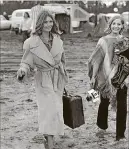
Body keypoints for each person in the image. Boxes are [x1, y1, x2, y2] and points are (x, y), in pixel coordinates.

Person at [17, 10, 68, 149]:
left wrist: (64, 76)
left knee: (55, 110)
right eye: (45, 22)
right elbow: (26, 61)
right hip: (43, 79)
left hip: (57, 79)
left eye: (50, 21)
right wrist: (23, 70)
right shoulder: (31, 43)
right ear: (40, 23)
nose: (48, 24)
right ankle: (50, 143)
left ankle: (47, 138)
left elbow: (62, 61)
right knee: (49, 110)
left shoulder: (58, 40)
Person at [88, 15, 128, 141]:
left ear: (122, 26)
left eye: (119, 24)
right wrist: (93, 76)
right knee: (104, 102)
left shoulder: (126, 41)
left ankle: (120, 134)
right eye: (114, 24)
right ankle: (102, 126)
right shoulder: (103, 40)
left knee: (122, 105)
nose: (116, 26)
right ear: (110, 25)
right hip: (105, 78)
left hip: (121, 78)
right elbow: (96, 60)